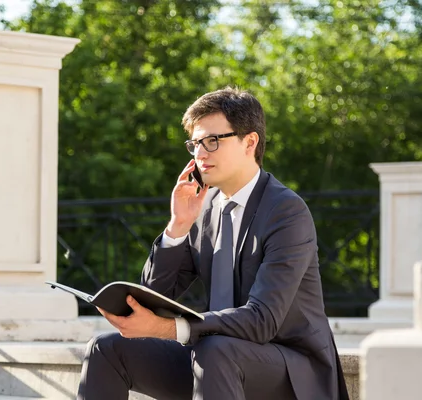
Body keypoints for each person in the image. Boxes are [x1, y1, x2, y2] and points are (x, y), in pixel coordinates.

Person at [77, 87, 349, 400]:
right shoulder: (204, 208)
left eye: (212, 141)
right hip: (216, 359)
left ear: (250, 142)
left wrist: (168, 329)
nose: (200, 154)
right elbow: (156, 296)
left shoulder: (286, 211)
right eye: (195, 143)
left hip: (291, 371)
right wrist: (178, 226)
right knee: (106, 348)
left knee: (215, 349)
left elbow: (263, 321)